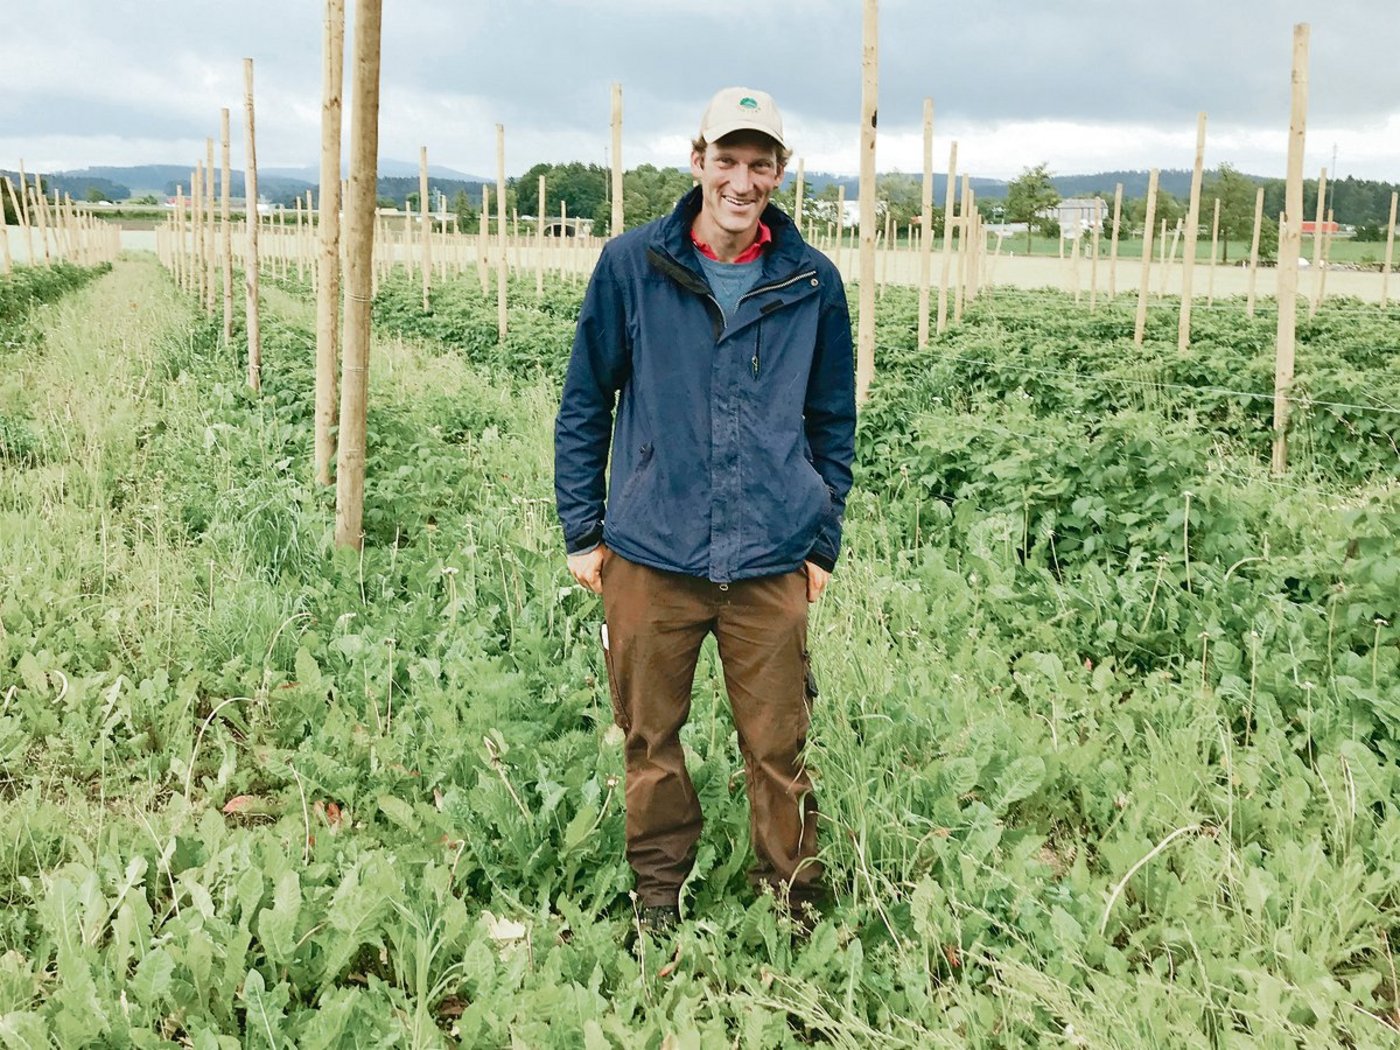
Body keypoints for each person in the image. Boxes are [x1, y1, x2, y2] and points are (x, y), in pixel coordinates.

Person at [554, 86, 856, 933]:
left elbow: (833, 421)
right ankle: (658, 894)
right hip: (653, 551)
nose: (742, 179)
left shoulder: (811, 281)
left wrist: (820, 544)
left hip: (769, 557)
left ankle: (792, 900)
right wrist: (584, 529)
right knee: (650, 741)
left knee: (778, 748)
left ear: (779, 174)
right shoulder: (632, 265)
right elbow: (587, 400)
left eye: (760, 164)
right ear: (698, 162)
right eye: (727, 159)